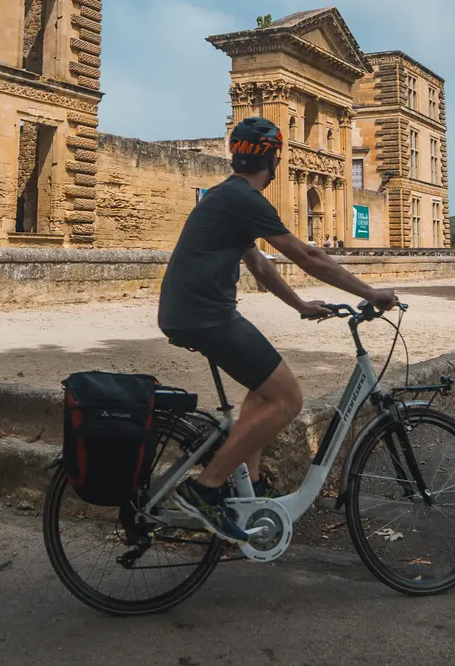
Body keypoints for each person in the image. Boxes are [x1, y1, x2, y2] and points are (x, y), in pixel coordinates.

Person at [158, 117, 398, 541]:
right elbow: (307, 255)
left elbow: (259, 263)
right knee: (288, 398)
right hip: (206, 315)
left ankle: (250, 484)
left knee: (262, 389)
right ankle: (205, 488)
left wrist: (301, 304)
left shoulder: (224, 196)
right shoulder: (245, 199)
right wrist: (370, 291)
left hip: (194, 312)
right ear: (271, 158)